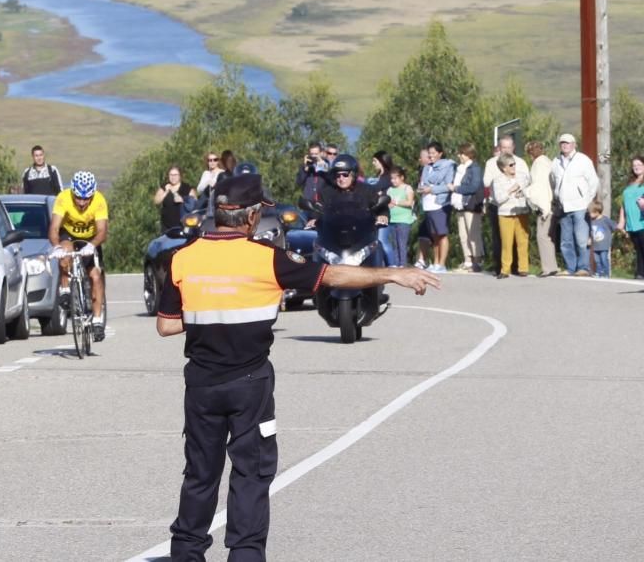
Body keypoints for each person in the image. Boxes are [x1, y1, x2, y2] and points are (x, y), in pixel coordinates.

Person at [156, 172, 440, 561]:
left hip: (202, 385)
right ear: (252, 216)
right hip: (249, 382)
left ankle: (186, 553)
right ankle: (245, 554)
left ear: (217, 214)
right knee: (251, 475)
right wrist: (393, 272)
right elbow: (333, 274)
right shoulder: (268, 258)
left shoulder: (182, 258)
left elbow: (166, 324)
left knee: (200, 475)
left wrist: (211, 310)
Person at [49, 171, 108, 341]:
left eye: (86, 198)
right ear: (72, 192)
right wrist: (56, 246)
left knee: (95, 276)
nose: (82, 202)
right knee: (65, 252)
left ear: (92, 194)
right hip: (68, 234)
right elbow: (54, 228)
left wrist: (92, 245)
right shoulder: (63, 198)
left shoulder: (99, 200)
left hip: (91, 238)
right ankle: (66, 290)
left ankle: (97, 320)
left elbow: (103, 231)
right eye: (78, 198)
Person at [550, 133, 599, 277]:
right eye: (562, 143)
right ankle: (570, 267)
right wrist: (556, 197)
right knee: (565, 240)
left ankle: (583, 267)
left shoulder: (583, 160)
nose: (564, 145)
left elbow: (593, 181)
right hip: (563, 206)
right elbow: (553, 181)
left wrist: (587, 200)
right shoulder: (556, 161)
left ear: (574, 144)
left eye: (568, 143)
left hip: (580, 206)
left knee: (581, 239)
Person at [483, 136, 529, 274]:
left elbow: (527, 180)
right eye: (504, 147)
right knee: (501, 239)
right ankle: (501, 267)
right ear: (499, 148)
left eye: (509, 147)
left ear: (513, 147)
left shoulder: (520, 162)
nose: (506, 150)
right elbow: (486, 182)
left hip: (519, 206)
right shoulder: (492, 163)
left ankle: (520, 267)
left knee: (521, 239)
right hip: (497, 204)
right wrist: (503, 181)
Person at [417, 142, 455, 274]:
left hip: (440, 203)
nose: (431, 156)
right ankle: (435, 262)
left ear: (440, 153)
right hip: (428, 205)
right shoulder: (427, 167)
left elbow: (449, 186)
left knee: (442, 234)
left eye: (433, 153)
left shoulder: (448, 166)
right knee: (434, 235)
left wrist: (431, 189)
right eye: (429, 153)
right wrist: (422, 189)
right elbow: (423, 182)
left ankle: (442, 264)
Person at [491, 152, 531, 278]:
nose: (514, 167)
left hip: (521, 211)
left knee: (522, 241)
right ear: (504, 168)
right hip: (505, 214)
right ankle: (505, 269)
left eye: (514, 164)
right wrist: (510, 190)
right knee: (506, 243)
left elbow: (529, 190)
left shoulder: (523, 176)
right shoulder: (497, 181)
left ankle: (523, 268)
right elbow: (499, 199)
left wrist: (522, 192)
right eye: (511, 165)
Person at [447, 143, 485, 273]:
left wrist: (457, 189)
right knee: (463, 234)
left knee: (473, 234)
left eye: (461, 153)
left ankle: (477, 261)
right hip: (460, 204)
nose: (459, 156)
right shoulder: (460, 168)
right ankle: (467, 260)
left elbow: (474, 187)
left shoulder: (474, 168)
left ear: (468, 154)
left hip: (471, 204)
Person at [525, 140, 559, 277]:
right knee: (549, 237)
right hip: (552, 204)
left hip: (546, 205)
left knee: (542, 236)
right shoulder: (548, 162)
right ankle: (552, 266)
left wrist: (526, 193)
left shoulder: (538, 164)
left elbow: (539, 187)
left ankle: (548, 267)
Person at [368, 151, 395, 266]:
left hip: (383, 211)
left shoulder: (388, 176)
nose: (373, 163)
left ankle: (392, 265)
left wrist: (375, 191)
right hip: (373, 211)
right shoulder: (377, 176)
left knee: (383, 241)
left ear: (382, 161)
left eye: (375, 161)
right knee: (374, 241)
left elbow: (376, 189)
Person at [387, 166, 416, 267]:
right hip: (392, 219)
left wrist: (397, 202)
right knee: (394, 243)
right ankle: (395, 263)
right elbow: (388, 202)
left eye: (395, 178)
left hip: (404, 220)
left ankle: (402, 263)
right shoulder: (390, 189)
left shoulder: (407, 188)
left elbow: (409, 202)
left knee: (402, 243)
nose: (393, 180)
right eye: (391, 178)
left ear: (402, 177)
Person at [154, 166, 197, 233]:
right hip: (166, 227)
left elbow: (195, 205)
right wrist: (166, 192)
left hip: (183, 226)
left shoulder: (187, 188)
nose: (173, 177)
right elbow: (156, 201)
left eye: (175, 175)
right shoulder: (165, 187)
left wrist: (182, 200)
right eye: (171, 175)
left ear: (180, 176)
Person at [296, 144, 328, 222]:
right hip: (307, 204)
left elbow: (327, 173)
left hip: (321, 205)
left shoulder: (325, 164)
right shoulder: (306, 166)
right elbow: (299, 182)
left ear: (321, 153)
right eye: (312, 154)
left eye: (316, 154)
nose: (313, 156)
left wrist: (319, 161)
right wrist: (305, 168)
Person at [588, 199, 616, 278]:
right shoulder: (592, 221)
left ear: (597, 212)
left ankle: (606, 273)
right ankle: (598, 272)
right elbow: (591, 231)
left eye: (591, 213)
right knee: (597, 260)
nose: (590, 214)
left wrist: (619, 230)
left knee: (603, 259)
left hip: (604, 245)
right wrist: (590, 238)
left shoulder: (605, 219)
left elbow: (614, 226)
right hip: (596, 245)